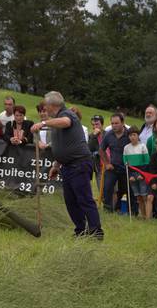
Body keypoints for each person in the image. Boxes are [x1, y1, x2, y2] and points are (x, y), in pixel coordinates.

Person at [31, 91, 103, 239]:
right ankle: (81, 231)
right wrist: (56, 165)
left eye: (46, 106)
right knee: (70, 201)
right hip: (67, 165)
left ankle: (96, 232)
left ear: (52, 105)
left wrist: (43, 123)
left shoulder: (67, 114)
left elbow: (66, 122)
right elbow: (64, 146)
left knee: (84, 199)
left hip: (79, 164)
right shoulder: (56, 120)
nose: (45, 110)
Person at [99, 113, 134, 214]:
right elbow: (101, 150)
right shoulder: (108, 135)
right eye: (112, 123)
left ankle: (121, 209)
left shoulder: (129, 134)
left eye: (116, 123)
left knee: (124, 190)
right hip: (112, 167)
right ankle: (107, 210)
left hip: (126, 167)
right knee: (107, 187)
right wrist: (106, 163)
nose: (114, 125)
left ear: (123, 123)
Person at [123, 126, 152, 219]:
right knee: (138, 196)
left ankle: (147, 216)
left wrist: (141, 174)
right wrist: (130, 175)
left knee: (144, 195)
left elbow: (147, 162)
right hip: (132, 175)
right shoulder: (126, 148)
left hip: (141, 174)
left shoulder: (143, 146)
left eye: (134, 135)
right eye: (130, 135)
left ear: (138, 135)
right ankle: (142, 215)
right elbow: (126, 164)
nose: (132, 137)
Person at [88, 114, 105, 190]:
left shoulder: (107, 135)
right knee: (101, 191)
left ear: (102, 125)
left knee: (113, 192)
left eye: (97, 124)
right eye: (93, 124)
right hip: (99, 168)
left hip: (109, 167)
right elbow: (89, 149)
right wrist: (94, 135)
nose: (95, 126)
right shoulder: (91, 136)